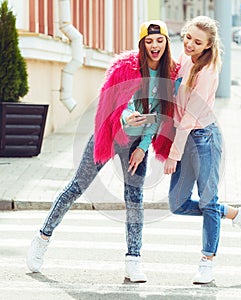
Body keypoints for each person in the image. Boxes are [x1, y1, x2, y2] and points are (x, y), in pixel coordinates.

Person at [26, 20, 179, 283]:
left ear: (166, 42)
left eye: (160, 40)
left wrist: (142, 148)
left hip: (136, 144)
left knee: (134, 198)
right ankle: (42, 238)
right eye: (149, 41)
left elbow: (161, 114)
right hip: (110, 135)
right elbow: (116, 104)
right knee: (77, 186)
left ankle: (134, 259)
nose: (155, 46)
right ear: (142, 44)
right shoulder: (125, 68)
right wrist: (126, 117)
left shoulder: (170, 74)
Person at [164, 16, 241, 284]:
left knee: (207, 200)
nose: (190, 44)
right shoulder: (185, 57)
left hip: (204, 138)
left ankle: (207, 262)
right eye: (188, 37)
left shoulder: (207, 73)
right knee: (177, 204)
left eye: (197, 42)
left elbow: (189, 118)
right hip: (186, 136)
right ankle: (236, 213)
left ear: (208, 46)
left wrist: (173, 155)